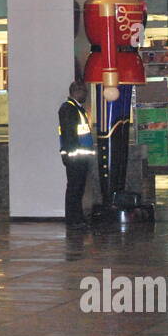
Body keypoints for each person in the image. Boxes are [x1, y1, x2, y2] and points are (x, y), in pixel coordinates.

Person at [59, 80, 96, 228]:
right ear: (76, 92)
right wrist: (71, 156)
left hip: (80, 156)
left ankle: (77, 218)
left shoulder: (76, 108)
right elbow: (69, 135)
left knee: (78, 189)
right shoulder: (69, 109)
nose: (85, 95)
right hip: (75, 157)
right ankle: (74, 220)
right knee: (74, 189)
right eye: (84, 92)